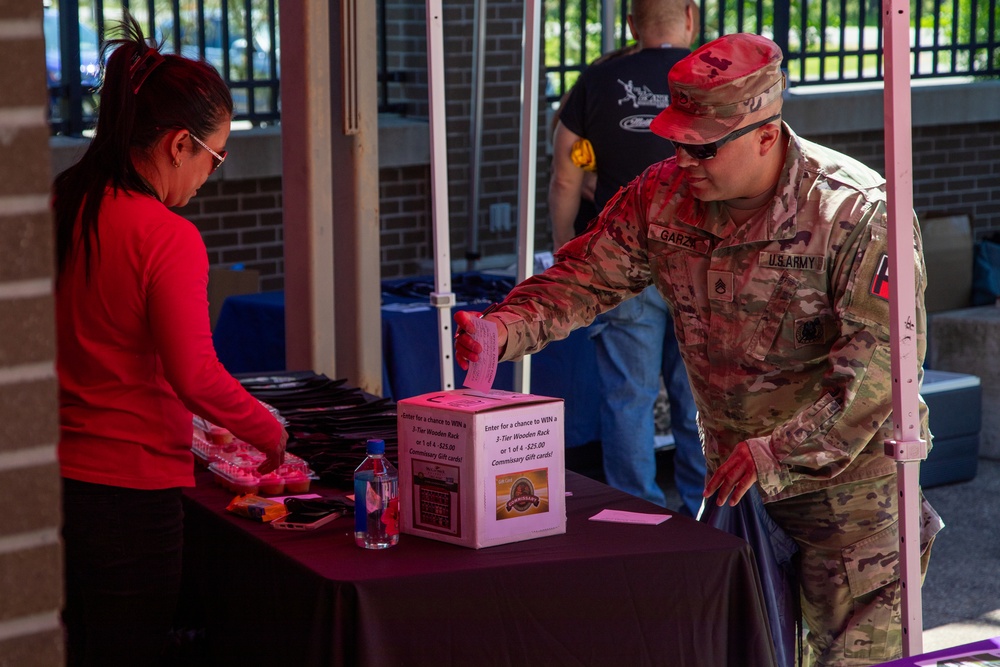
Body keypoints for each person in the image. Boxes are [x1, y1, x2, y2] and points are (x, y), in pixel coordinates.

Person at [457, 33, 942, 666]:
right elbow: (584, 277)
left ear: (765, 134)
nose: (685, 159)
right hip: (738, 490)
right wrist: (503, 329)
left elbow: (878, 373)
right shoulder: (662, 195)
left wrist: (776, 453)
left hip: (849, 505)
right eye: (675, 140)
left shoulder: (856, 212)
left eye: (704, 146)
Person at [53, 14, 288, 666]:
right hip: (128, 493)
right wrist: (267, 427)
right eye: (214, 158)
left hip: (52, 476)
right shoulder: (165, 236)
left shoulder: (64, 200)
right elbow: (196, 373)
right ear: (178, 144)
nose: (209, 176)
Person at [548, 0, 705, 515]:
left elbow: (567, 175)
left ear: (633, 23)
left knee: (628, 400)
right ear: (689, 15)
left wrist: (563, 245)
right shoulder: (713, 77)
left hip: (623, 261)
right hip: (702, 266)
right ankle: (711, 517)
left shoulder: (597, 80)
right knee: (701, 401)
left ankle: (638, 519)